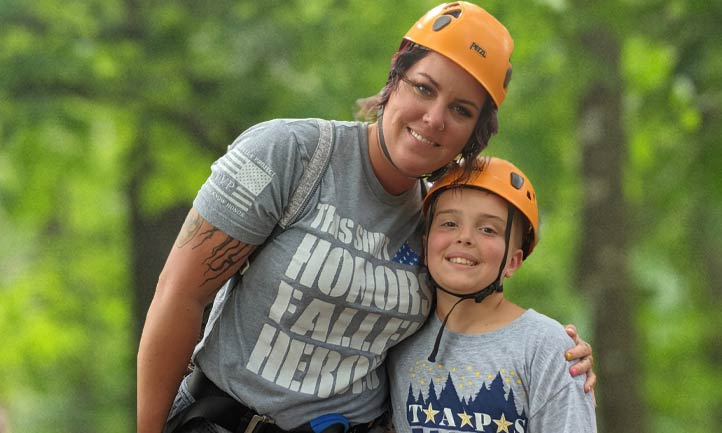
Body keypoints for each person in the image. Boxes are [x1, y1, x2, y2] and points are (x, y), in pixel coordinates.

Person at [137, 3, 595, 433]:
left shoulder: (439, 224)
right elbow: (179, 294)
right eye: (424, 88)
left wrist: (555, 352)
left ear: (475, 133)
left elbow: (472, 318)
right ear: (394, 78)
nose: (434, 118)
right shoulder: (289, 155)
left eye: (460, 110)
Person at [387, 156, 597, 433]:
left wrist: (559, 349)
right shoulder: (398, 334)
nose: (465, 237)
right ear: (425, 245)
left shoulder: (545, 348)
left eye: (488, 229)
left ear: (513, 261)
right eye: (449, 223)